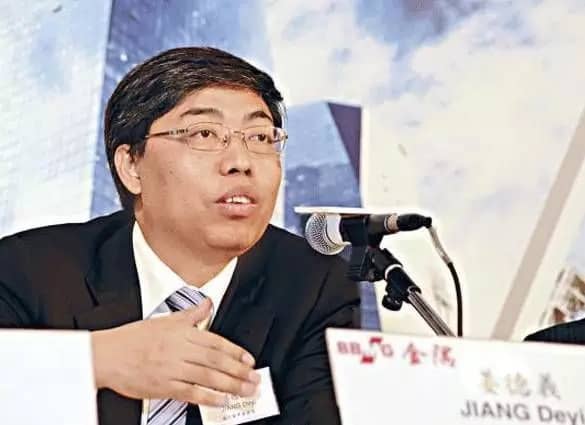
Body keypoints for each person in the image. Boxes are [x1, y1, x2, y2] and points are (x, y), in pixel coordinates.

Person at [0, 47, 360, 425]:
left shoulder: (313, 284)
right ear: (132, 166)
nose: (241, 161)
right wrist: (95, 361)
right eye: (204, 133)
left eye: (260, 137)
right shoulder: (31, 270)